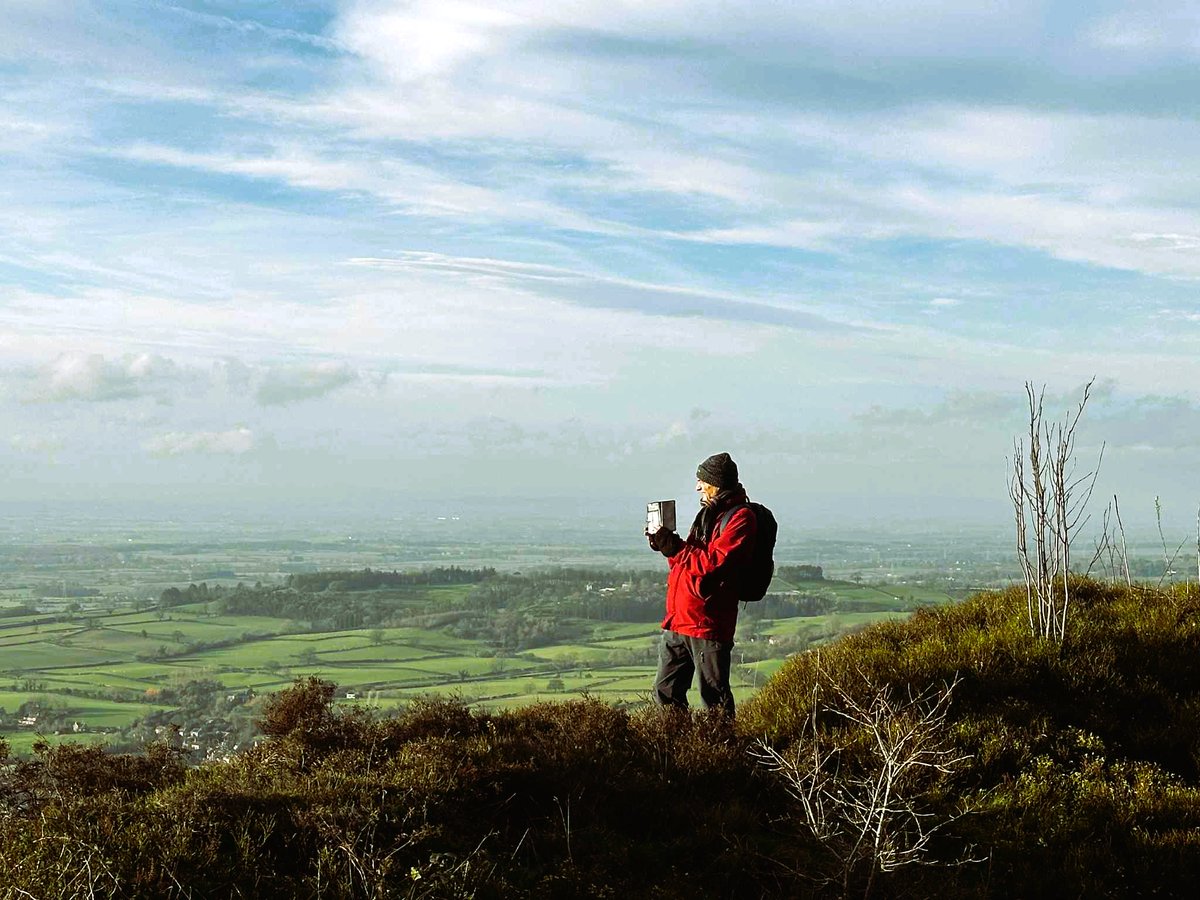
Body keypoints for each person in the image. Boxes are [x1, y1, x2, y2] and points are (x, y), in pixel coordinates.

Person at [646, 451, 757, 714]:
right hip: (680, 620)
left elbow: (711, 565)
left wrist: (674, 547)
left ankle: (721, 752)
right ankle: (677, 750)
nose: (697, 487)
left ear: (716, 483)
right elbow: (685, 563)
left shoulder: (741, 518)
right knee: (666, 692)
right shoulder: (708, 515)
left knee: (714, 700)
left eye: (702, 481)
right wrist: (665, 545)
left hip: (708, 623)